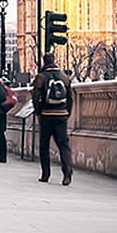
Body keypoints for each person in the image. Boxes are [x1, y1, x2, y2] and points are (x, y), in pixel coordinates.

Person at [32, 50, 73, 185]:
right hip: (61, 115)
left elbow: (36, 97)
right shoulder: (63, 76)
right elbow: (70, 97)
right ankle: (67, 174)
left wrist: (38, 112)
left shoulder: (41, 77)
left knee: (44, 145)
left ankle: (45, 174)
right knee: (63, 145)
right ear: (54, 60)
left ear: (44, 61)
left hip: (46, 115)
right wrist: (67, 112)